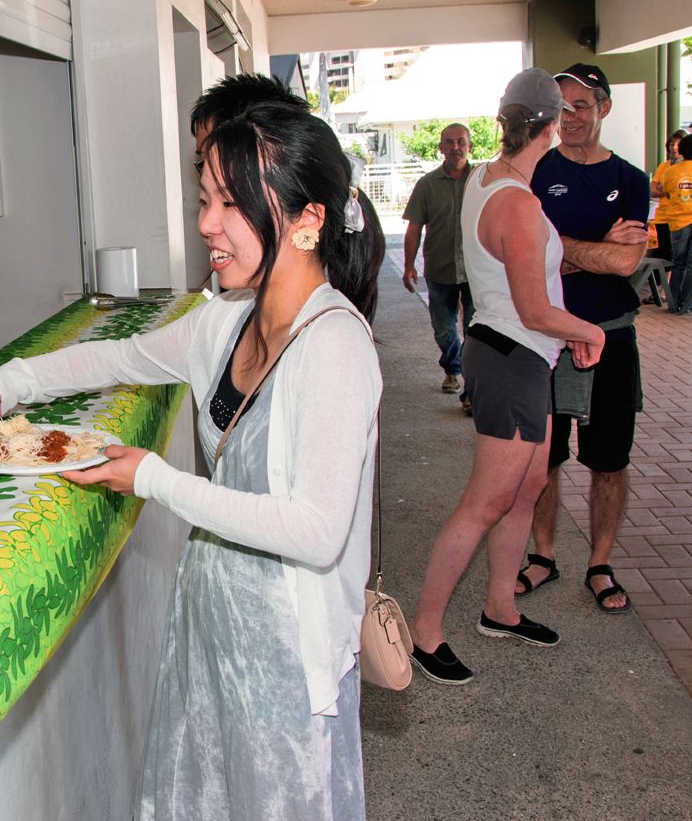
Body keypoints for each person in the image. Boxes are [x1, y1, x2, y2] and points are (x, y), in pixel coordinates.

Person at [0, 102, 381, 819]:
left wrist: (151, 478)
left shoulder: (334, 345)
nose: (207, 223)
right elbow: (120, 357)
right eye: (204, 200)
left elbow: (314, 530)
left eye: (231, 203)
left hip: (287, 653)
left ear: (308, 219)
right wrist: (11, 381)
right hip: (213, 619)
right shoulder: (228, 321)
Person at [407, 70, 604, 684]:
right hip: (513, 355)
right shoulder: (515, 201)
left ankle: (500, 607)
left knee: (528, 486)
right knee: (485, 502)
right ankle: (423, 633)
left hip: (521, 356)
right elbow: (534, 310)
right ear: (551, 125)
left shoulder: (488, 177)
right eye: (568, 112)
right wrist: (589, 331)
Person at [521, 63, 650, 614]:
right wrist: (599, 245)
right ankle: (543, 555)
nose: (570, 116)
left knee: (609, 461)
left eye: (581, 104)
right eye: (561, 106)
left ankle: (599, 563)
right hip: (548, 338)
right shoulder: (533, 174)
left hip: (611, 337)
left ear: (604, 108)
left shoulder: (633, 180)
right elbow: (527, 264)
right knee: (543, 460)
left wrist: (563, 249)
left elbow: (625, 264)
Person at [189, 72, 384, 319]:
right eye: (203, 160)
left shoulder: (327, 325)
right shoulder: (241, 306)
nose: (205, 224)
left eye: (230, 201)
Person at [402, 123, 475, 406]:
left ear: (469, 146)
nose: (455, 147)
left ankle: (471, 389)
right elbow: (414, 228)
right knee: (444, 330)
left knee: (475, 331)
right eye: (449, 142)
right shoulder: (427, 184)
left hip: (476, 272)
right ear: (441, 148)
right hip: (440, 269)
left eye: (461, 141)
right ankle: (452, 368)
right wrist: (409, 265)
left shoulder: (482, 181)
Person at [651, 132, 692, 314]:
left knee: (678, 263)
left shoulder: (670, 172)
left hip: (677, 222)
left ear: (681, 150)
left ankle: (673, 303)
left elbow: (666, 192)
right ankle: (688, 302)